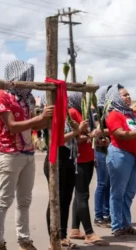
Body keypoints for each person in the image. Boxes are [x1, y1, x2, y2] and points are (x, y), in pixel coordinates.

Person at [0, 60, 54, 250]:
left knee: (25, 200)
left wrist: (48, 118)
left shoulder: (27, 98)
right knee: (5, 199)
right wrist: (39, 118)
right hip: (10, 154)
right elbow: (11, 126)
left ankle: (24, 239)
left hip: (27, 153)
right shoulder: (2, 96)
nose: (28, 81)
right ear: (15, 77)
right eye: (25, 77)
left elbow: (35, 125)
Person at [105, 84, 136, 236]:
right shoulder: (114, 114)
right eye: (124, 95)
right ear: (115, 98)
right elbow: (120, 134)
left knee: (129, 193)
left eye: (128, 94)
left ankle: (126, 224)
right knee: (118, 193)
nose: (128, 97)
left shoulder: (131, 115)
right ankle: (116, 226)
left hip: (133, 157)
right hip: (119, 155)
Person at [41, 95, 90, 249]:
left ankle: (62, 236)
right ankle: (54, 239)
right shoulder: (49, 118)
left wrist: (78, 128)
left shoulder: (66, 117)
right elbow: (59, 139)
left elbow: (77, 134)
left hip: (69, 159)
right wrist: (77, 131)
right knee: (56, 200)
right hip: (57, 159)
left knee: (66, 200)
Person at [67, 92, 109, 246]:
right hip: (78, 159)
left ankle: (75, 228)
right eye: (83, 98)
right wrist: (92, 135)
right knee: (82, 195)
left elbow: (87, 136)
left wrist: (96, 140)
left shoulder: (83, 113)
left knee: (80, 195)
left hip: (88, 158)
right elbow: (75, 138)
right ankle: (90, 233)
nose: (85, 100)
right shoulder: (72, 112)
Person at [93, 85, 112, 228]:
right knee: (102, 183)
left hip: (109, 149)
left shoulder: (112, 110)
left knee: (109, 183)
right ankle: (98, 215)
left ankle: (106, 213)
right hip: (100, 150)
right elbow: (97, 131)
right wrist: (115, 130)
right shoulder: (98, 111)